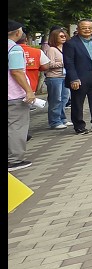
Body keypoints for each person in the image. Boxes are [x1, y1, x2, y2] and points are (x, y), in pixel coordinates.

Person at [62, 19, 92, 135]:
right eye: (84, 28)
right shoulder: (71, 43)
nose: (87, 30)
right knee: (77, 102)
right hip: (79, 77)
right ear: (78, 29)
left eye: (90, 28)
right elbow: (69, 63)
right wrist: (73, 78)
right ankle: (79, 126)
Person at [8, 20, 38, 171]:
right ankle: (14, 160)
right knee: (17, 127)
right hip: (13, 95)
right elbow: (16, 72)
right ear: (18, 33)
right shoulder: (14, 49)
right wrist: (29, 91)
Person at [42, 27, 70, 129]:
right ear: (55, 37)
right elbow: (50, 64)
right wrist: (63, 63)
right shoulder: (52, 49)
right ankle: (54, 121)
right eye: (61, 36)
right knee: (55, 99)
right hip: (54, 77)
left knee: (64, 98)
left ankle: (62, 118)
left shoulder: (66, 48)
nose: (64, 38)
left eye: (65, 36)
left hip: (65, 76)